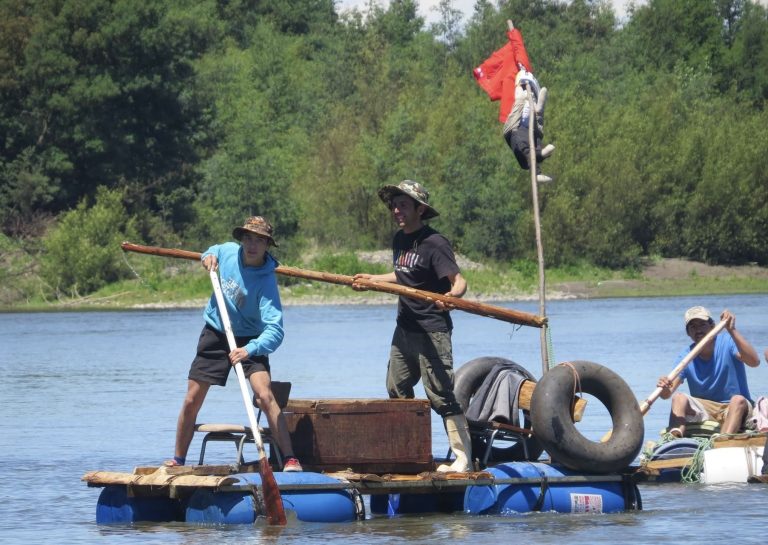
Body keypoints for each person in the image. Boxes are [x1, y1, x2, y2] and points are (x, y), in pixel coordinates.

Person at [353, 180, 473, 472]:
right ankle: (411, 452)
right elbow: (402, 274)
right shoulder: (399, 239)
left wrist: (452, 298)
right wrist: (373, 280)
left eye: (403, 205)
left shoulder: (435, 243)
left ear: (420, 209)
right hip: (404, 328)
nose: (396, 210)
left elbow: (459, 282)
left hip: (432, 330)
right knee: (396, 388)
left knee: (440, 394)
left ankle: (463, 458)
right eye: (394, 205)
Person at [165, 216, 302, 472]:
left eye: (259, 241)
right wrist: (207, 257)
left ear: (267, 246)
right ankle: (178, 460)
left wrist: (249, 349)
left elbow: (275, 331)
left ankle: (291, 459)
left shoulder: (266, 281)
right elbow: (211, 251)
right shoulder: (228, 252)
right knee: (192, 398)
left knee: (264, 395)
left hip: (251, 339)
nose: (252, 245)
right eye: (248, 238)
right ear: (241, 240)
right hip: (217, 331)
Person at [657, 306, 760, 438]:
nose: (698, 330)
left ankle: (721, 441)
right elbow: (666, 394)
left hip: (736, 407)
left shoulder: (728, 342)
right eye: (693, 327)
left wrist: (731, 330)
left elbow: (754, 362)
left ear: (712, 326)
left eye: (702, 324)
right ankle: (675, 437)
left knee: (737, 399)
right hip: (707, 410)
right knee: (679, 398)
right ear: (688, 333)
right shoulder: (686, 356)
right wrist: (664, 386)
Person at [473, 20, 554, 181]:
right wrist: (514, 35)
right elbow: (518, 49)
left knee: (528, 137)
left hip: (523, 117)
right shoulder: (517, 76)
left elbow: (518, 50)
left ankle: (536, 163)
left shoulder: (520, 74)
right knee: (528, 140)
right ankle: (536, 162)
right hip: (520, 120)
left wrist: (515, 35)